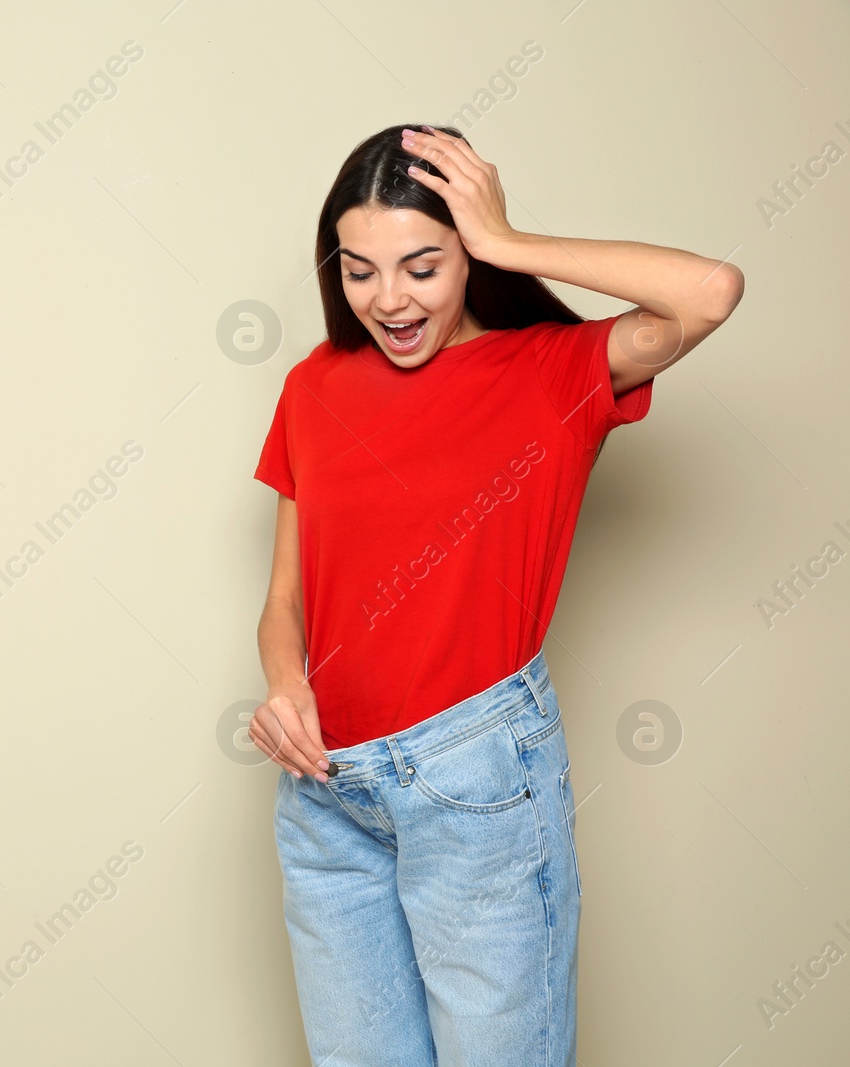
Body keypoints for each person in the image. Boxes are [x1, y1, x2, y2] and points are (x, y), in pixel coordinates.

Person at [249, 124, 743, 1067]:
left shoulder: (549, 371)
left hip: (473, 780)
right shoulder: (312, 389)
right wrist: (284, 690)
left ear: (467, 255)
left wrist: (508, 239)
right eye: (359, 271)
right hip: (324, 796)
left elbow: (710, 291)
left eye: (423, 266)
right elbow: (285, 599)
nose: (388, 299)